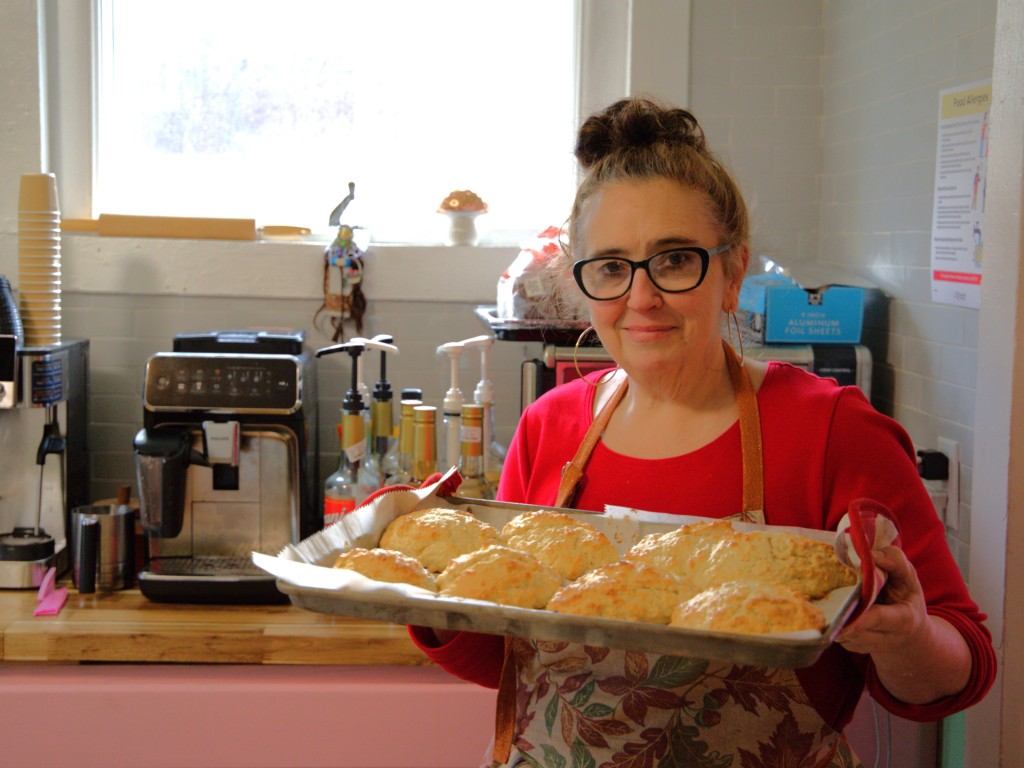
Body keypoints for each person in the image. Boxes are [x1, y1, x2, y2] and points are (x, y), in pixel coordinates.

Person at [409, 97, 996, 766]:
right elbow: (504, 653)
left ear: (732, 272)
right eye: (610, 267)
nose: (641, 297)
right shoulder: (551, 428)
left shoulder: (832, 431)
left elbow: (963, 664)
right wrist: (425, 584)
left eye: (674, 260)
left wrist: (905, 636)